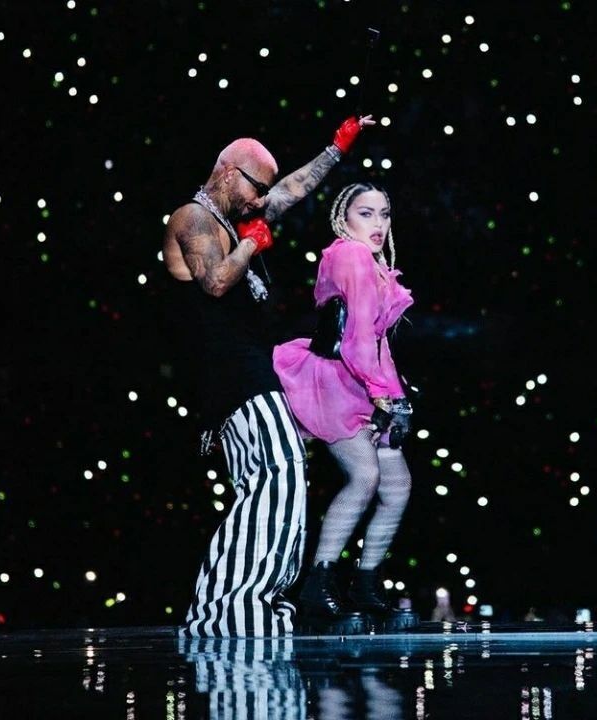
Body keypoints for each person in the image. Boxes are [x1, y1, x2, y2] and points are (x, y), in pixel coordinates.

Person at [163, 116, 375, 638]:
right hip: (232, 377)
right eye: (256, 188)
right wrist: (250, 246)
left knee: (280, 479)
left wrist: (336, 148)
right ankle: (229, 608)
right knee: (278, 473)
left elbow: (292, 189)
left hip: (254, 371)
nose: (261, 200)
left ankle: (245, 605)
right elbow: (215, 281)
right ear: (228, 173)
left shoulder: (238, 213)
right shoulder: (192, 217)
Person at [273, 182, 418, 632]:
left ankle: (365, 583)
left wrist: (395, 398)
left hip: (365, 382)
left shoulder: (372, 263)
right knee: (365, 476)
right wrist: (381, 395)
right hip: (336, 381)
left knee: (397, 486)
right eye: (366, 213)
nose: (378, 224)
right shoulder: (350, 256)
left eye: (384, 213)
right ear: (343, 217)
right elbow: (355, 340)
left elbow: (377, 342)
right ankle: (318, 583)